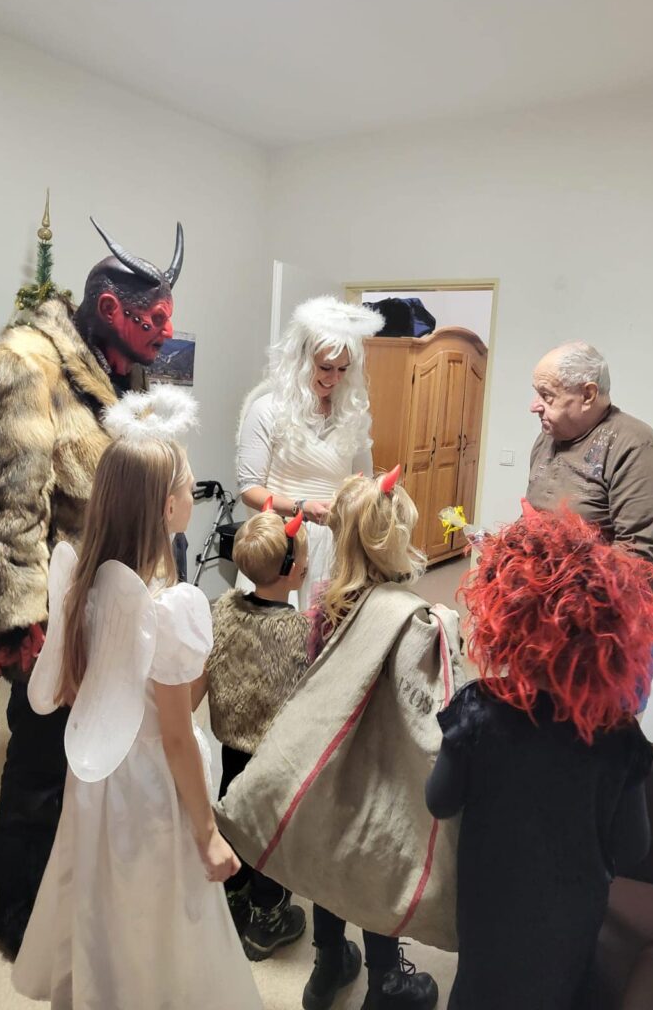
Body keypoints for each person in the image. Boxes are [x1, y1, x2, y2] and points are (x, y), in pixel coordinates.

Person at [0, 212, 186, 957]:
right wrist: (20, 627)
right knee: (39, 759)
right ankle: (21, 904)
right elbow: (8, 507)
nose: (166, 333)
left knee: (100, 752)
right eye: (155, 319)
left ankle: (86, 884)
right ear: (111, 308)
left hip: (116, 603)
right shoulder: (24, 364)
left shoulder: (123, 370)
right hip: (57, 612)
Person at [11, 394, 262, 1010]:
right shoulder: (169, 608)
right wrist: (207, 832)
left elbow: (79, 688)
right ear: (166, 507)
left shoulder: (85, 580)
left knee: (103, 897)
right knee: (155, 910)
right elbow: (175, 735)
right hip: (149, 784)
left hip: (97, 777)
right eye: (186, 486)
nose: (192, 494)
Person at [426, 505, 653, 1010]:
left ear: (507, 620)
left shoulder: (478, 712)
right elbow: (633, 846)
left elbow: (439, 800)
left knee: (478, 991)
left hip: (489, 904)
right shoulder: (617, 734)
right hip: (571, 915)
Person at [301, 465, 440, 1010]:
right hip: (382, 765)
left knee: (330, 860)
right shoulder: (407, 617)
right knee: (376, 866)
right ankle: (386, 981)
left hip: (330, 756)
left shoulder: (323, 603)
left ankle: (326, 967)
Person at [192, 507, 310, 959]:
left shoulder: (222, 610)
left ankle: (233, 895)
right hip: (274, 757)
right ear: (291, 570)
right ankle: (268, 919)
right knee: (270, 834)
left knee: (233, 816)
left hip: (231, 744)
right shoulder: (300, 630)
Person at [526, 342, 653, 665]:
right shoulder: (547, 440)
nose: (534, 406)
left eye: (546, 395)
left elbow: (638, 561)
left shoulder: (637, 449)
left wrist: (554, 579)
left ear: (588, 394)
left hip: (616, 630)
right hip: (555, 617)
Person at [236, 295, 383, 608]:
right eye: (325, 367)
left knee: (325, 628)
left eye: (343, 369)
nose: (334, 378)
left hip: (335, 544)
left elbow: (363, 481)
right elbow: (250, 489)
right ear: (301, 361)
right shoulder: (267, 410)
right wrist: (301, 508)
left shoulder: (351, 414)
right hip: (282, 543)